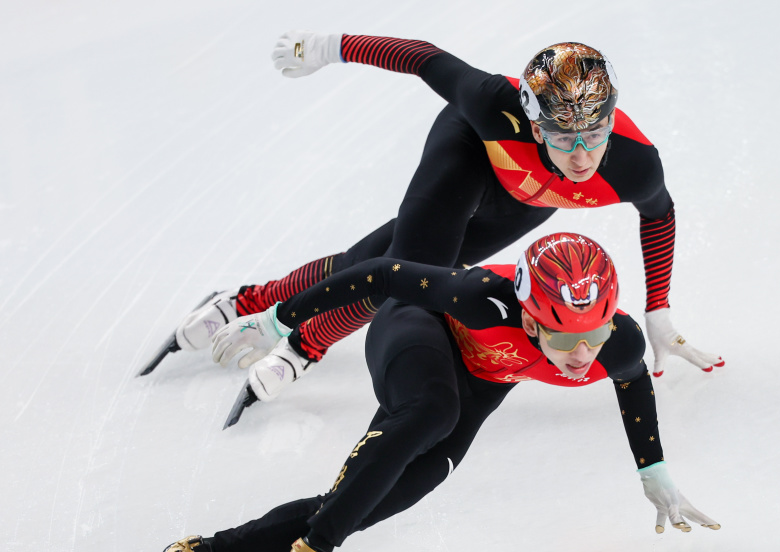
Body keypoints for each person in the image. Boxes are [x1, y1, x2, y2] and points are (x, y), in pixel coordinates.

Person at [139, 233, 719, 552]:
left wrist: (654, 470)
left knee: (391, 492)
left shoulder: (616, 340)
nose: (581, 356)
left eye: (592, 336)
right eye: (565, 338)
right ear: (531, 316)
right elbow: (384, 276)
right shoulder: (481, 296)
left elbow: (633, 383)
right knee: (431, 412)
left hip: (478, 384)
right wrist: (280, 319)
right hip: (415, 326)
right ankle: (316, 550)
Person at [155, 31, 723, 392]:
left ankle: (259, 307)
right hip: (469, 156)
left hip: (524, 203)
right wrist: (329, 46)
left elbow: (659, 216)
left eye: (595, 134)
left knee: (371, 262)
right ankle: (296, 335)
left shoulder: (634, 163)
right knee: (403, 274)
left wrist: (659, 309)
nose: (581, 156)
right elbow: (424, 58)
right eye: (561, 136)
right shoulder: (491, 103)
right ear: (531, 120)